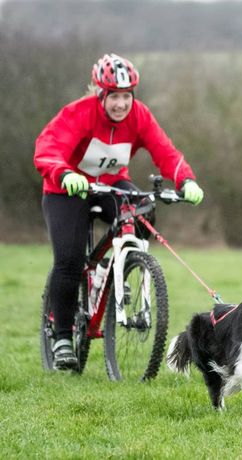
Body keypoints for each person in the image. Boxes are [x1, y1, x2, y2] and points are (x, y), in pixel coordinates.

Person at [34, 53, 203, 370]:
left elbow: (165, 151)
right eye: (114, 97)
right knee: (69, 262)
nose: (121, 104)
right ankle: (61, 338)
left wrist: (186, 179)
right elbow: (49, 148)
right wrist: (64, 173)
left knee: (142, 209)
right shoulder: (79, 114)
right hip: (66, 190)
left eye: (126, 97)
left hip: (111, 185)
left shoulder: (139, 116)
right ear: (101, 94)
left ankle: (116, 267)